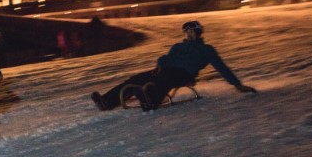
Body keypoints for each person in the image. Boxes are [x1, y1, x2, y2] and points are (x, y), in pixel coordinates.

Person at [90, 20, 257, 112]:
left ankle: (151, 101)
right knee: (137, 78)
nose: (188, 34)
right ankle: (107, 101)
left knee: (165, 79)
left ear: (198, 33)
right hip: (168, 68)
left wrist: (237, 85)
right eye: (186, 32)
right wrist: (160, 64)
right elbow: (166, 58)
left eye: (191, 32)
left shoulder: (206, 50)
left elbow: (221, 67)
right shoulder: (178, 47)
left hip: (185, 73)